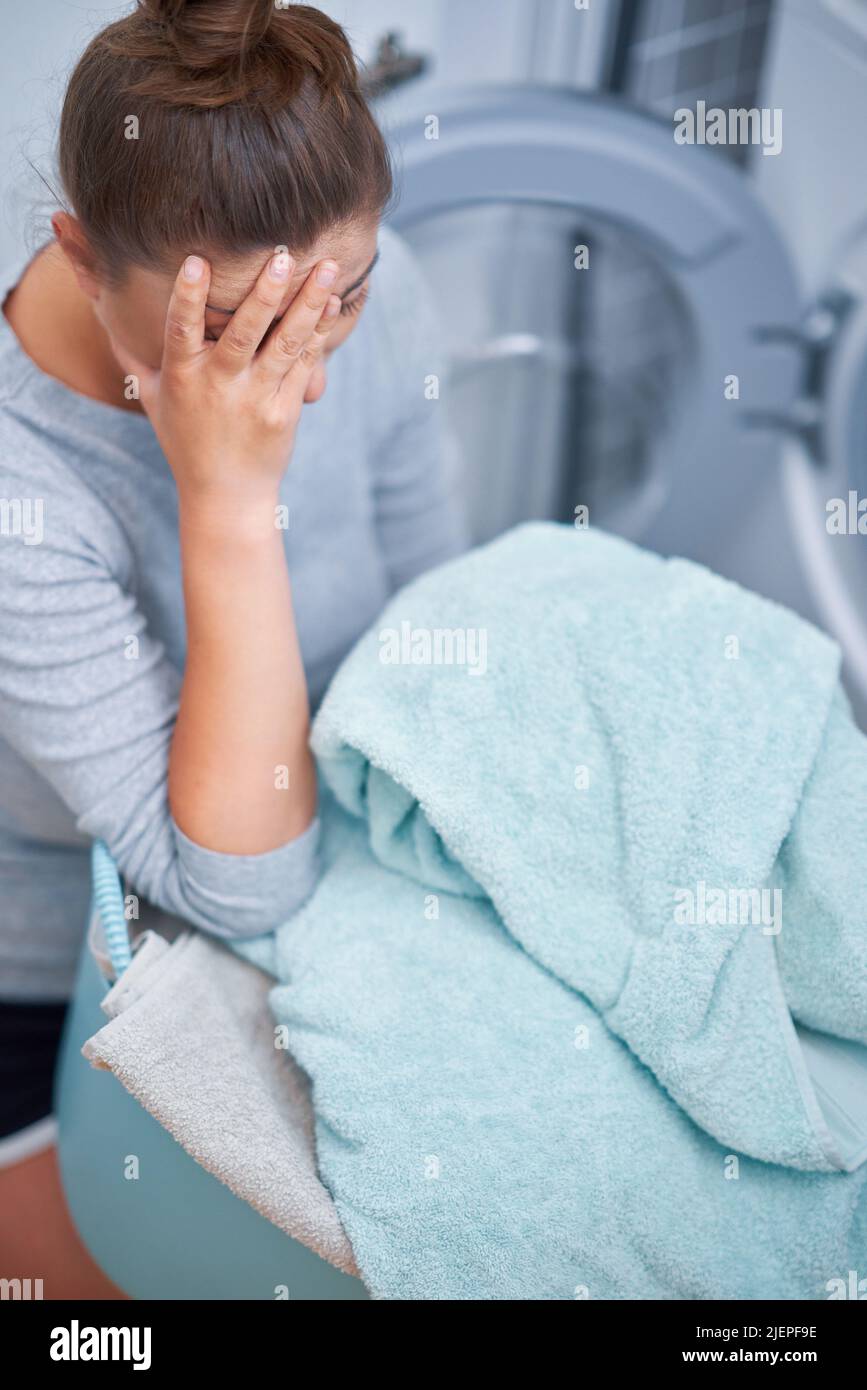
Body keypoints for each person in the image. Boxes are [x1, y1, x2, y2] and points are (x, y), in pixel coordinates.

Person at [0, 0, 466, 1296]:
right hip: (53, 971)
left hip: (342, 859)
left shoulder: (375, 288)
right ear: (84, 262)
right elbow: (236, 890)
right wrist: (226, 504)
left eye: (340, 302)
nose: (299, 375)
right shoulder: (20, 497)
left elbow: (432, 617)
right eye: (227, 335)